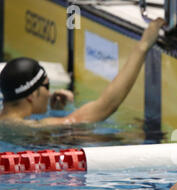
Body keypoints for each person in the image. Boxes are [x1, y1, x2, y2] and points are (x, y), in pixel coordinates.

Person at [0, 18, 165, 127]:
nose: (49, 93)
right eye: (46, 86)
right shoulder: (29, 127)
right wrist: (143, 46)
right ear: (31, 95)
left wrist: (55, 111)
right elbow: (105, 107)